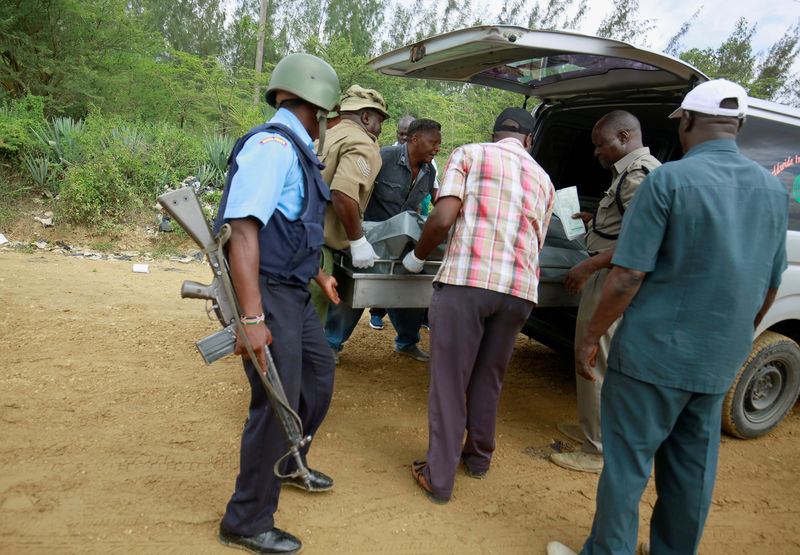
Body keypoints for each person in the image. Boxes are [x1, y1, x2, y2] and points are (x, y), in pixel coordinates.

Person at [547, 79, 788, 555]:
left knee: (628, 464)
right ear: (737, 125)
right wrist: (737, 334)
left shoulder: (668, 179)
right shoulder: (773, 190)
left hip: (653, 358)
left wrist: (590, 337)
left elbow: (627, 276)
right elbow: (771, 284)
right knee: (692, 472)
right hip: (719, 360)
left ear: (688, 122)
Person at [212, 52, 342, 555]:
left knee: (317, 377)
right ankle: (245, 520)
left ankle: (288, 461)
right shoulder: (272, 146)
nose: (327, 121)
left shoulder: (297, 149)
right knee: (277, 401)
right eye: (327, 112)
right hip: (265, 293)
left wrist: (317, 271)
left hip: (293, 290)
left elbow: (287, 225)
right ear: (314, 104)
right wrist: (251, 319)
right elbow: (243, 230)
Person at [403, 107, 555, 502]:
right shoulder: (544, 179)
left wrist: (417, 257)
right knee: (489, 376)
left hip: (468, 284)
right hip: (519, 292)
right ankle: (479, 457)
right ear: (528, 140)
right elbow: (537, 242)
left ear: (495, 132)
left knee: (450, 381)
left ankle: (439, 478)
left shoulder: (470, 154)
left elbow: (442, 218)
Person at [551, 111, 661, 474]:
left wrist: (590, 265)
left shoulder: (638, 175)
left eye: (602, 144)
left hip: (613, 275)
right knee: (600, 356)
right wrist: (593, 221)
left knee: (594, 356)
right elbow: (625, 224)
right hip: (609, 270)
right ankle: (593, 426)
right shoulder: (629, 173)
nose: (596, 152)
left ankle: (597, 447)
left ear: (625, 137)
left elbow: (643, 241)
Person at [326, 118, 441, 362]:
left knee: (408, 294)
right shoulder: (382, 157)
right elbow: (354, 192)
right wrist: (357, 239)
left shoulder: (429, 172)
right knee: (355, 292)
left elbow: (420, 209)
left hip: (402, 243)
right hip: (368, 238)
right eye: (433, 142)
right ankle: (331, 344)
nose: (437, 148)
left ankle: (407, 343)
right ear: (415, 139)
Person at [308, 85, 389, 329]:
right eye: (379, 120)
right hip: (318, 250)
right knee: (306, 329)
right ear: (366, 117)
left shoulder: (325, 135)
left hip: (298, 241)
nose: (380, 129)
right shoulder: (362, 142)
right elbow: (343, 193)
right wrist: (358, 241)